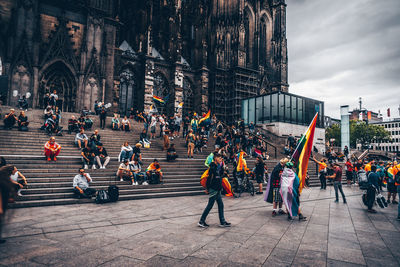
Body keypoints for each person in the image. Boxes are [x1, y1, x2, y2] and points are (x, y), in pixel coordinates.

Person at [198, 153, 231, 228]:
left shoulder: (219, 167)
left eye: (221, 158)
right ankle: (201, 221)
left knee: (220, 205)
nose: (221, 159)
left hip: (218, 188)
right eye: (219, 158)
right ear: (215, 158)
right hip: (213, 188)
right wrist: (207, 188)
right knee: (210, 205)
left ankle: (222, 222)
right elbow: (210, 179)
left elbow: (220, 176)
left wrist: (224, 169)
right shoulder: (212, 167)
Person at [0, 165, 16, 243]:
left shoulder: (6, 177)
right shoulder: (2, 178)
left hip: (4, 201)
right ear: (10, 170)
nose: (16, 171)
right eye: (15, 170)